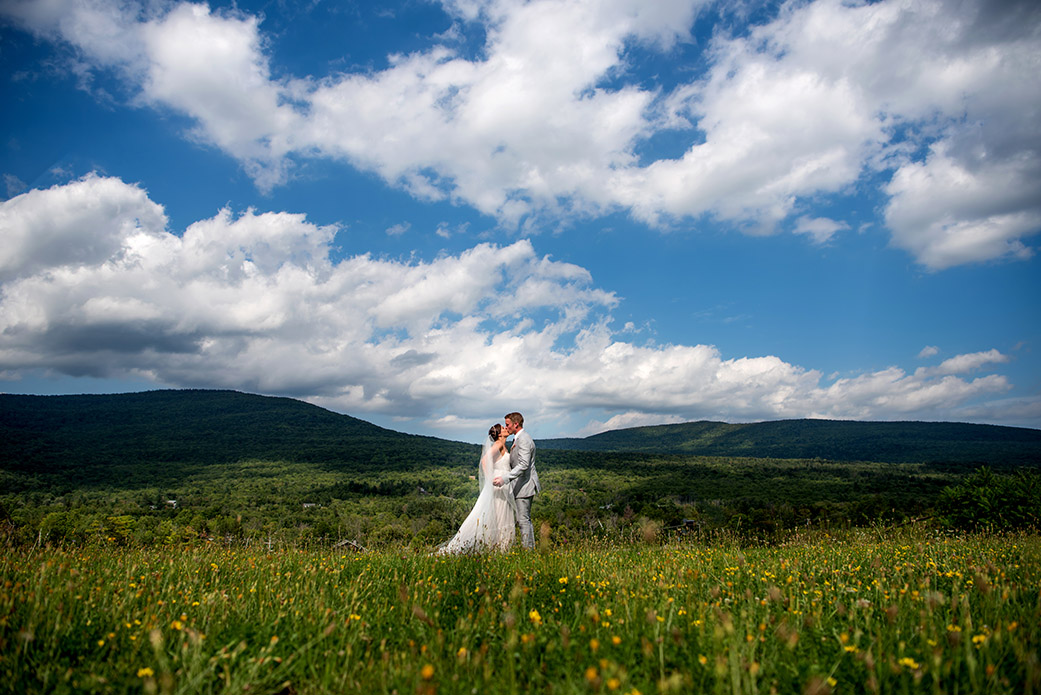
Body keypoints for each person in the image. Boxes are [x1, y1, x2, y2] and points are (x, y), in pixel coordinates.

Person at [437, 423, 517, 554]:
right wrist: (490, 478)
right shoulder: (498, 444)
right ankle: (500, 549)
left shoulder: (504, 446)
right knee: (499, 516)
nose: (506, 429)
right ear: (499, 434)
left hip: (503, 485)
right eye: (503, 428)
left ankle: (500, 549)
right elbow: (485, 461)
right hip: (498, 485)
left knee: (501, 516)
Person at [494, 412, 539, 549]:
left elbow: (524, 465)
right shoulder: (518, 438)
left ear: (516, 424)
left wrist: (505, 478)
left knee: (523, 520)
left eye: (507, 425)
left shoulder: (523, 439)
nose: (506, 428)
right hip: (520, 485)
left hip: (525, 485)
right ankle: (530, 549)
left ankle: (528, 552)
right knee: (524, 520)